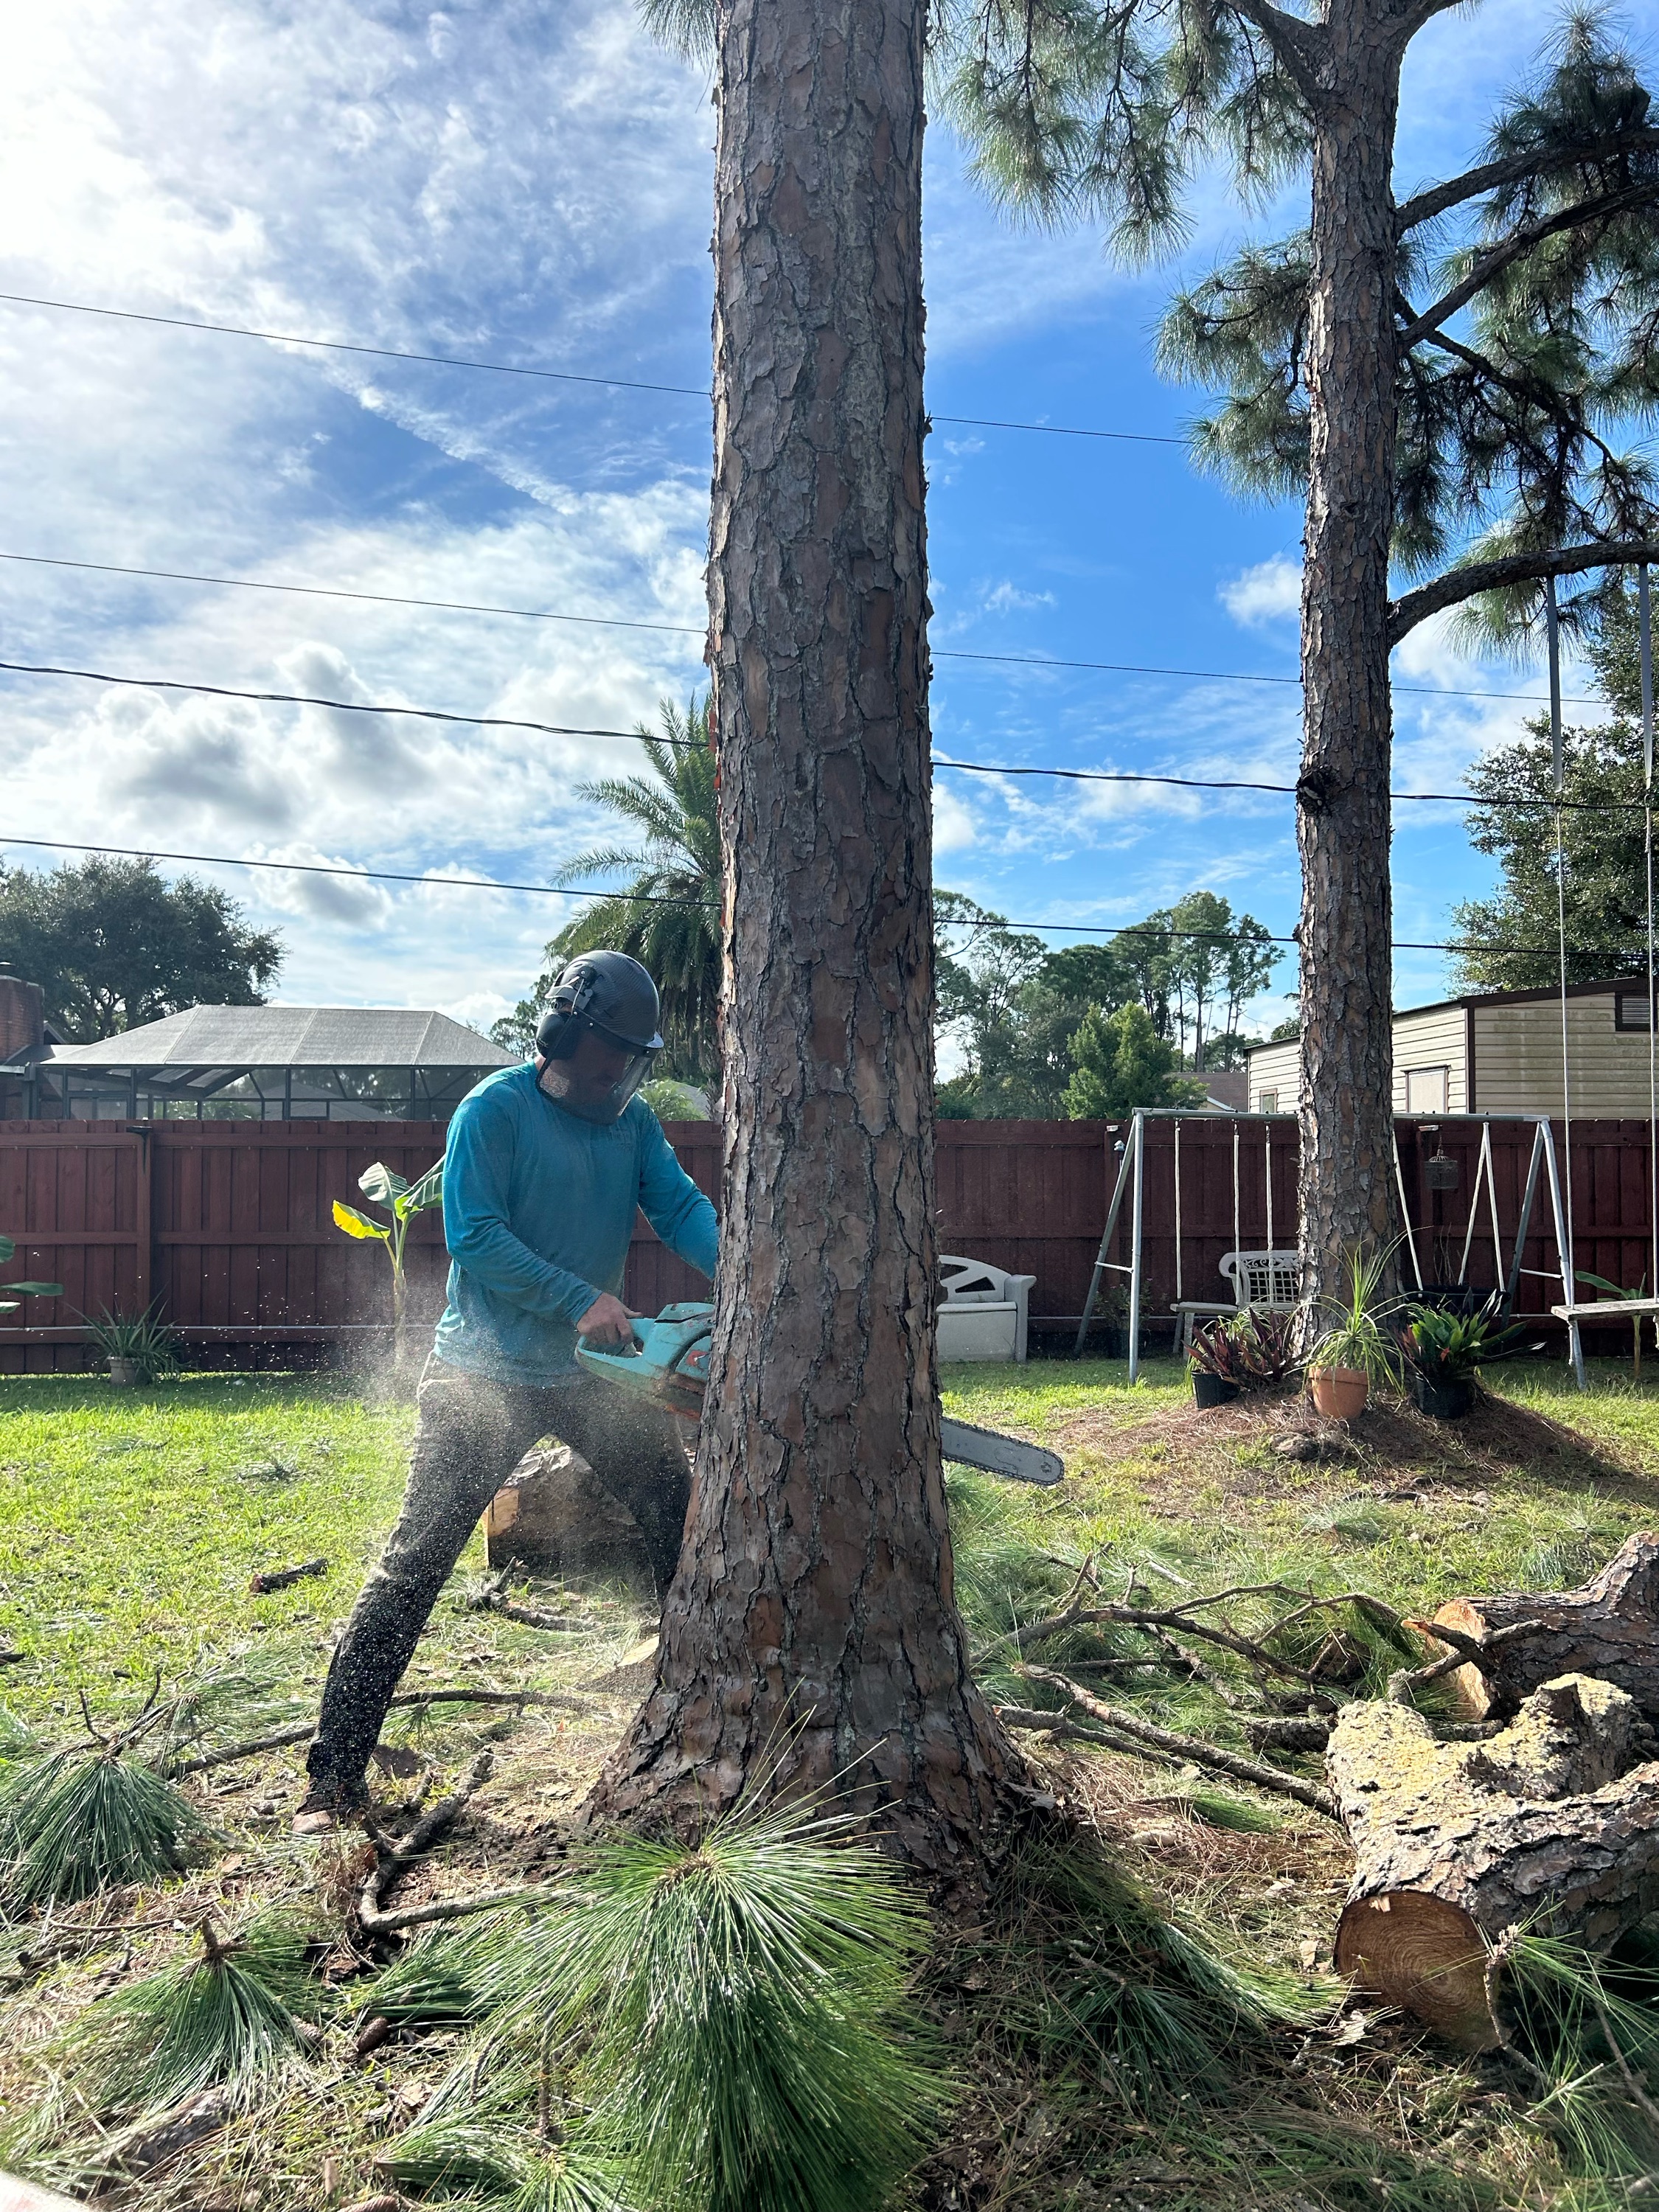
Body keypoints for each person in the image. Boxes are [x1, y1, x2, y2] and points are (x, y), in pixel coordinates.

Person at [294, 951, 717, 1834]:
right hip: (478, 1376)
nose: (621, 1077)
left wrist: (753, 1266)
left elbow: (679, 1210)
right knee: (413, 1567)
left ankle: (698, 1730)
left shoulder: (632, 1123)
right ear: (565, 1035)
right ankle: (331, 1784)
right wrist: (580, 1299)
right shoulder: (495, 1111)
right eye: (612, 1057)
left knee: (681, 1522)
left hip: (590, 1378)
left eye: (633, 1062)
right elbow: (475, 1235)